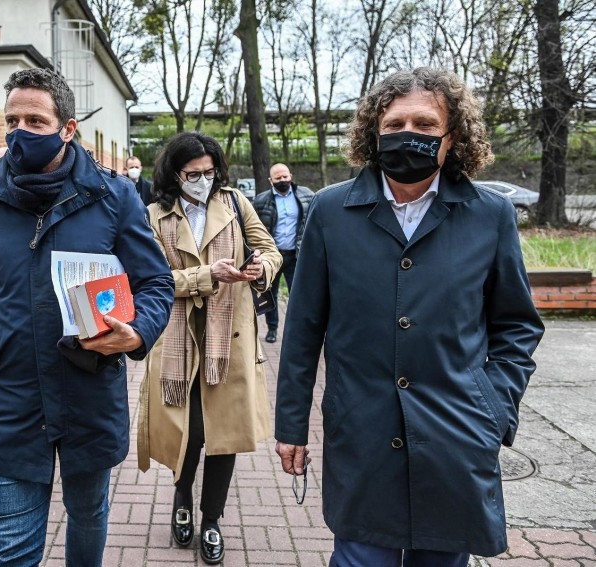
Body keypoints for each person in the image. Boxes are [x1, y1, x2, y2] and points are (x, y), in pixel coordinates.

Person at [273, 67, 545, 567]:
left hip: (455, 436)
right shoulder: (332, 212)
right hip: (363, 435)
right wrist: (290, 424)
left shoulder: (489, 215)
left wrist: (495, 406)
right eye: (395, 123)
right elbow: (304, 327)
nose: (408, 134)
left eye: (425, 124)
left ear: (452, 136)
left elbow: (517, 324)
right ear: (374, 132)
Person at [0, 68, 174, 566]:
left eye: (36, 120)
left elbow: (156, 282)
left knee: (88, 514)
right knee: (12, 549)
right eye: (12, 120)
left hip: (89, 392)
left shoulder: (113, 196)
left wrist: (137, 331)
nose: (21, 131)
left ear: (68, 129)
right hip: (12, 396)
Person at [137, 132, 282, 564]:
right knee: (191, 431)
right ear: (175, 174)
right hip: (178, 336)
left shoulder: (235, 204)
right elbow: (150, 280)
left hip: (230, 338)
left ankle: (212, 518)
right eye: (193, 174)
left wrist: (260, 269)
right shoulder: (153, 215)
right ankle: (182, 497)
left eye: (209, 171)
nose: (203, 180)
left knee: (225, 434)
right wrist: (205, 276)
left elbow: (270, 250)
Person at [252, 163, 314, 343]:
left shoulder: (306, 196)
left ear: (291, 176)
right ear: (271, 180)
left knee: (298, 295)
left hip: (296, 254)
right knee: (270, 293)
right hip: (272, 256)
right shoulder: (261, 200)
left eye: (285, 176)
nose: (282, 180)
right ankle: (272, 329)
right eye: (278, 178)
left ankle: (297, 330)